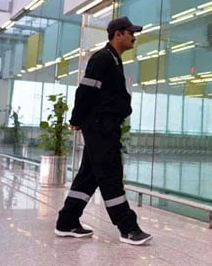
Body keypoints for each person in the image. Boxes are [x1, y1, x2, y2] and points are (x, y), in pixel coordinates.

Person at [55, 16, 152, 246]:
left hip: (105, 126)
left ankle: (66, 222)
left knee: (88, 177)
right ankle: (127, 228)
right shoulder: (102, 59)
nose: (134, 36)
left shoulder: (114, 60)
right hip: (100, 127)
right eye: (131, 32)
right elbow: (85, 91)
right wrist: (77, 119)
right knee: (110, 174)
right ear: (118, 34)